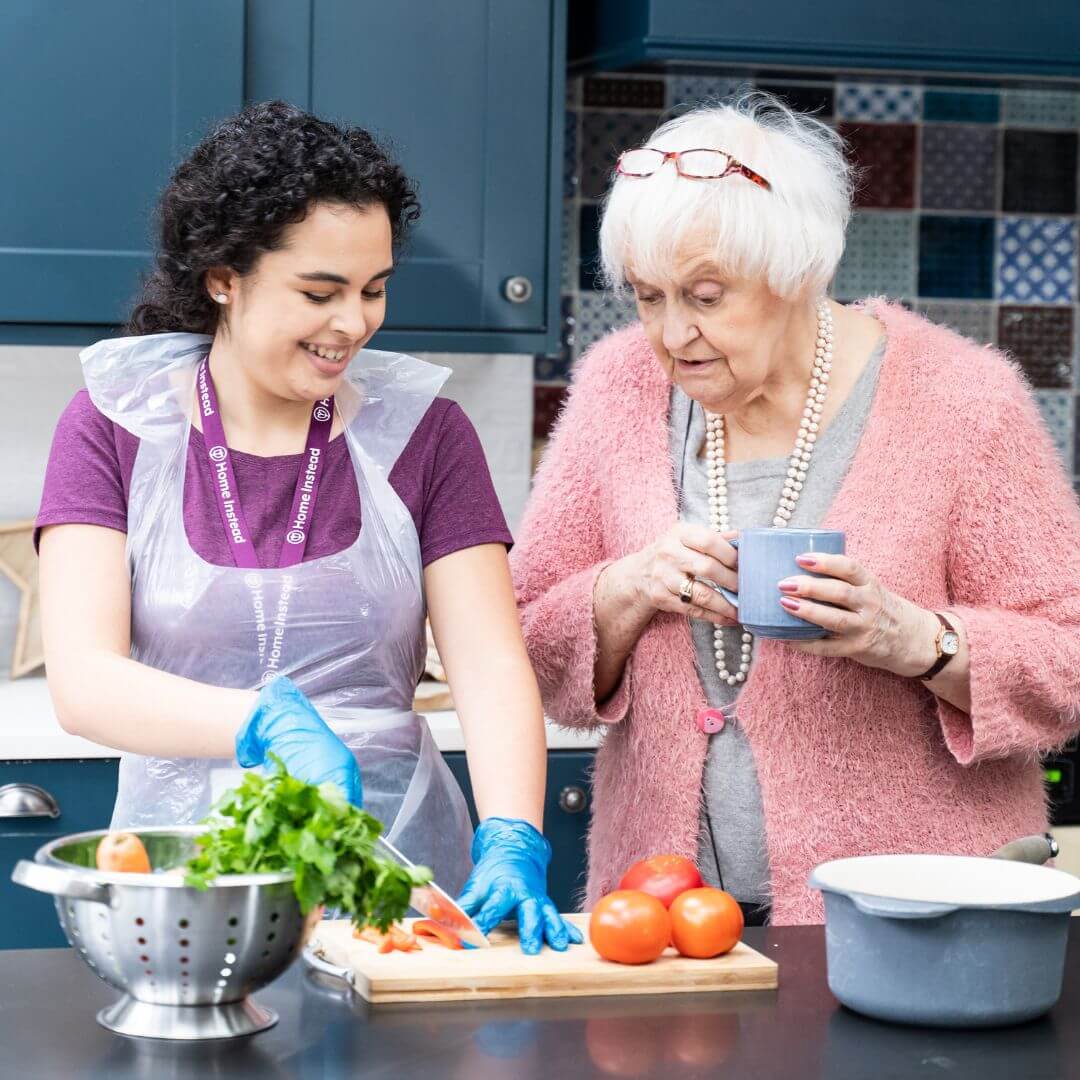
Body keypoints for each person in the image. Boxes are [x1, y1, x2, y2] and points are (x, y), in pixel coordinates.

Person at [510, 91, 1080, 925]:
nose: (672, 333)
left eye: (706, 296)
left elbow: (1069, 652)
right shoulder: (617, 386)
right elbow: (524, 633)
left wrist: (916, 640)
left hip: (913, 919)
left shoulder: (965, 401)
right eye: (648, 295)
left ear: (799, 273)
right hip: (664, 920)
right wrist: (624, 591)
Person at [37, 101, 578, 953]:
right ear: (223, 275)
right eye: (319, 292)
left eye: (374, 289)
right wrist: (264, 723)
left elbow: (488, 662)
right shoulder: (113, 424)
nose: (353, 324)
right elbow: (83, 681)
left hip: (396, 883)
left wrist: (512, 831)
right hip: (190, 890)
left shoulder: (427, 434)